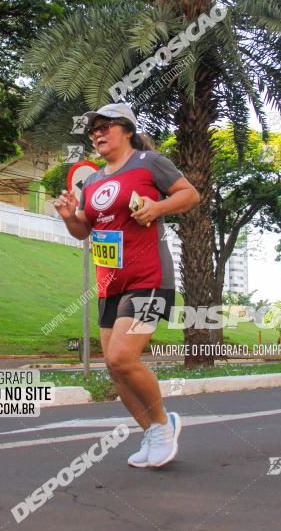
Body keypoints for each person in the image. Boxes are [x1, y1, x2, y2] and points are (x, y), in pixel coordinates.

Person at [54, 103, 200, 468]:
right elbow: (83, 231)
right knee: (114, 368)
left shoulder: (149, 163)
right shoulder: (91, 182)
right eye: (93, 130)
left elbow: (189, 195)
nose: (98, 134)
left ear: (127, 130)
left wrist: (156, 207)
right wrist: (70, 216)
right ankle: (150, 432)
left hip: (150, 279)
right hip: (110, 284)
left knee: (123, 357)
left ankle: (164, 425)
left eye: (106, 127)